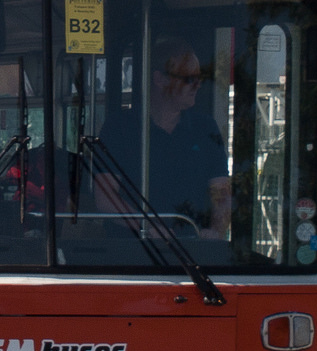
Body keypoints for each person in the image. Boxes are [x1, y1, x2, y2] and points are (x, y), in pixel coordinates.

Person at [95, 36, 231, 236]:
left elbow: (222, 193)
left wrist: (215, 232)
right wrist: (148, 227)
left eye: (200, 78)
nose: (198, 85)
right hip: (130, 248)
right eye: (189, 79)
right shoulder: (119, 127)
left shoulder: (206, 128)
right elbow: (105, 197)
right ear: (160, 79)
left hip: (190, 248)